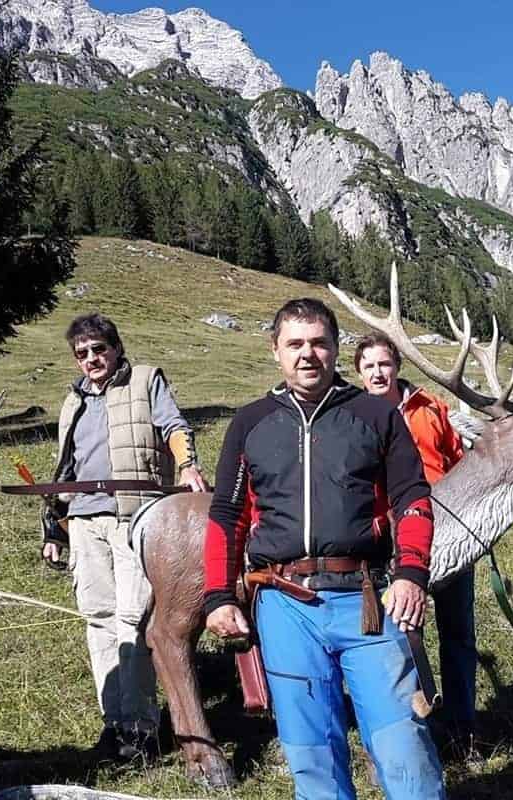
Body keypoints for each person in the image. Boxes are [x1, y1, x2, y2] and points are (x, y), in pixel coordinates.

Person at [203, 298, 445, 799]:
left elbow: (412, 498)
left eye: (318, 343)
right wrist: (219, 596)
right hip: (284, 604)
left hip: (367, 600)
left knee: (404, 741)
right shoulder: (250, 423)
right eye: (294, 344)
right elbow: (227, 515)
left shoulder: (376, 415)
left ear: (335, 349)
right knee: (311, 753)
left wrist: (411, 574)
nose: (307, 354)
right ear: (275, 350)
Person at [43, 312, 208, 760]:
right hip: (84, 520)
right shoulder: (74, 401)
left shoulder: (145, 380)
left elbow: (175, 427)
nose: (91, 359)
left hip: (134, 517)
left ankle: (141, 728)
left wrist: (188, 465)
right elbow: (65, 468)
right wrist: (54, 526)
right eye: (82, 353)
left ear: (116, 348)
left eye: (99, 349)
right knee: (98, 617)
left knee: (133, 617)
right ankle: (114, 725)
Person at [354, 334, 476, 753]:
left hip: (448, 533)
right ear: (359, 372)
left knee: (458, 631)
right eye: (369, 366)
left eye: (384, 364)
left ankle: (462, 724)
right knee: (407, 636)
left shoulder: (431, 408)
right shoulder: (355, 416)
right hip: (396, 541)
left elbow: (459, 464)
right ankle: (417, 728)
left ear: (397, 367)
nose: (377, 373)